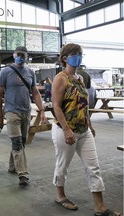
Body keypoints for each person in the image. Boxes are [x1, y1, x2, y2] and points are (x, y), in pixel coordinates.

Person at [51, 43, 121, 216]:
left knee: (93, 167)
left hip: (84, 130)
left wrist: (89, 123)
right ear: (65, 58)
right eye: (75, 54)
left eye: (80, 54)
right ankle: (60, 196)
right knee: (62, 166)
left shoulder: (81, 78)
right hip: (64, 130)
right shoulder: (61, 78)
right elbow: (56, 106)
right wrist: (67, 129)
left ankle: (100, 207)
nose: (79, 57)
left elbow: (83, 104)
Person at [0, 46, 47, 186]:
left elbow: (35, 92)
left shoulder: (30, 72)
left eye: (23, 55)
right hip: (11, 112)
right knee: (17, 142)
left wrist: (41, 110)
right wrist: (0, 116)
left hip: (26, 111)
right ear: (13, 55)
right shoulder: (5, 72)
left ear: (26, 56)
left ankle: (13, 167)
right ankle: (22, 174)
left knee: (21, 142)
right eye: (18, 55)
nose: (20, 57)